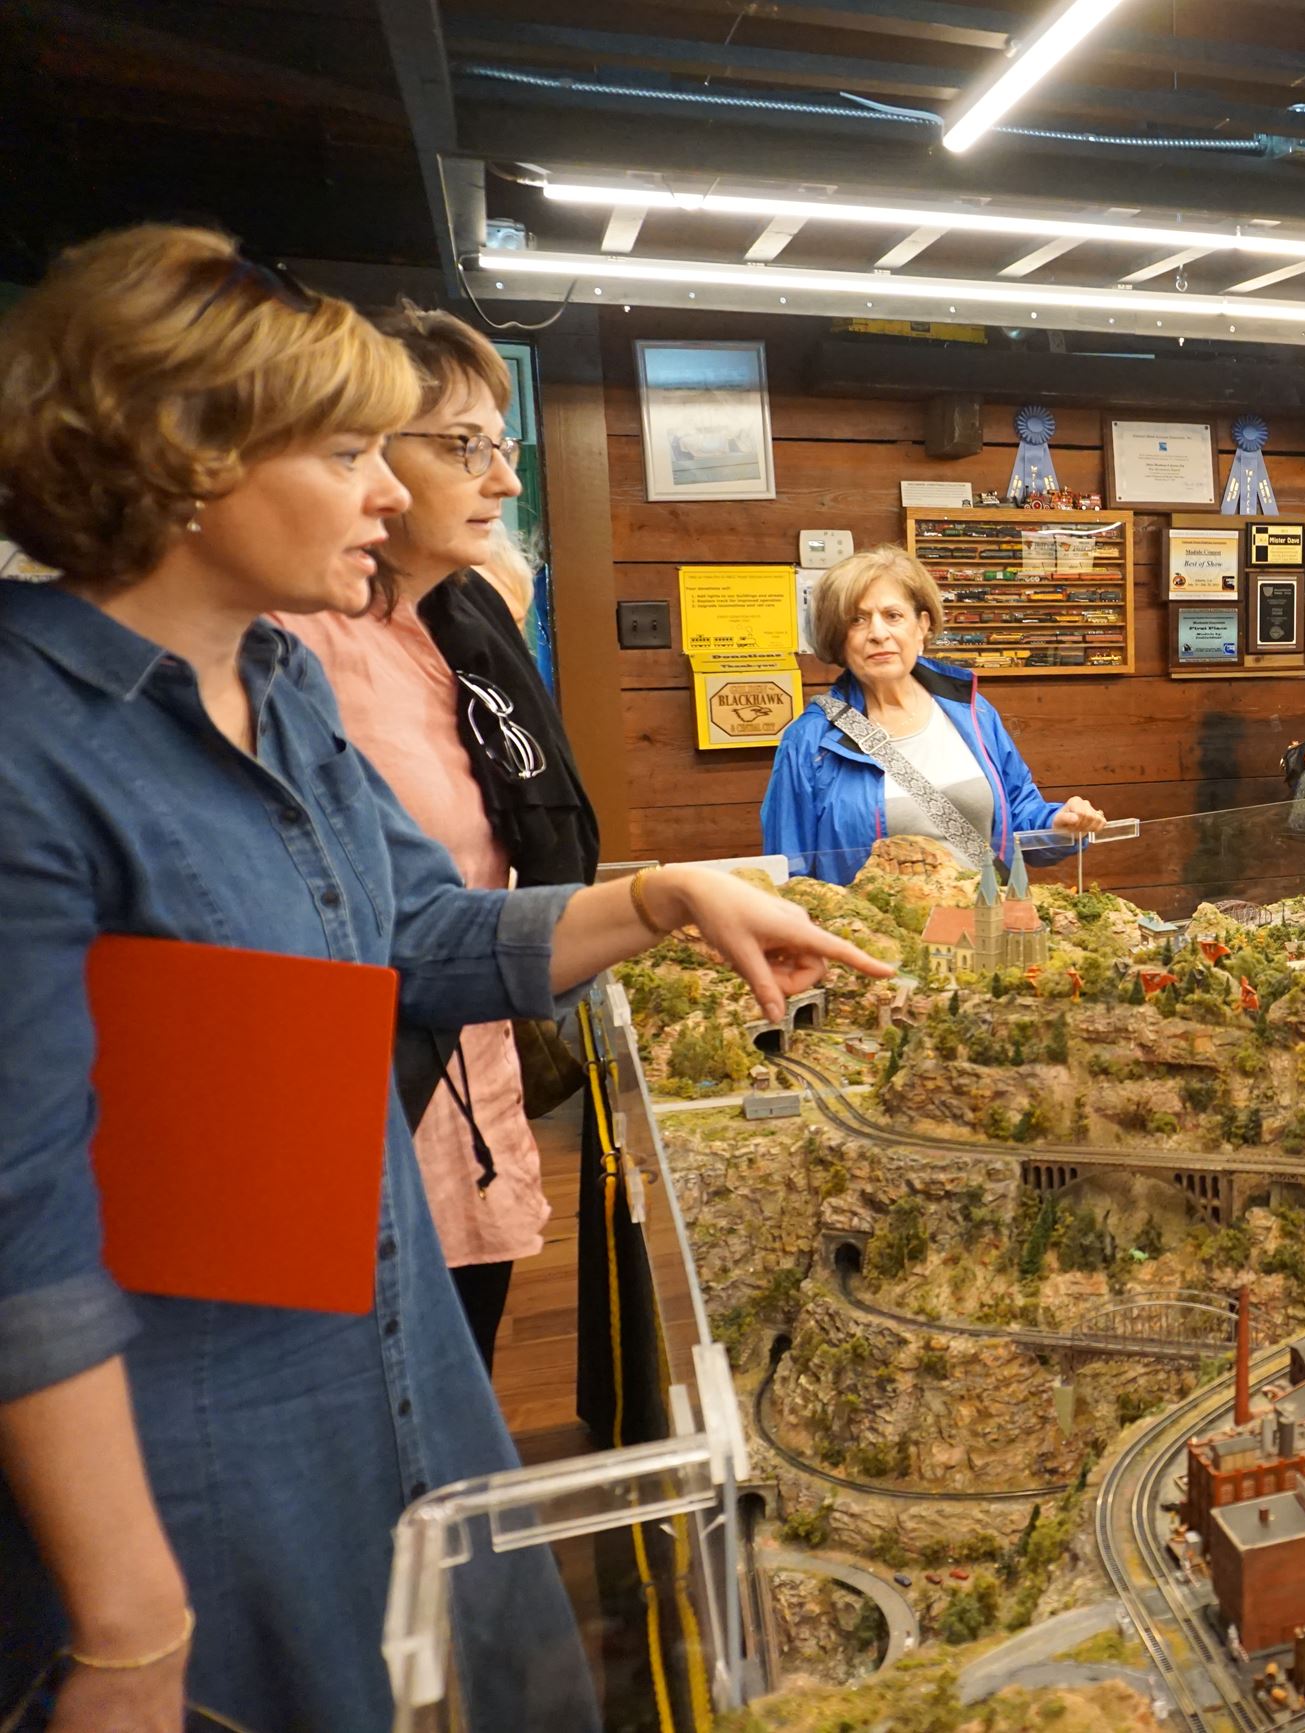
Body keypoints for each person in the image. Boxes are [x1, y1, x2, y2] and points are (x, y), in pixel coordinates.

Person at [0, 225, 883, 1733]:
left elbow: (415, 936)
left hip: (385, 1364)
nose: (395, 490)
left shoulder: (276, 686)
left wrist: (661, 899)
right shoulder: (34, 750)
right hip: (199, 1459)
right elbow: (26, 1245)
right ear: (188, 454)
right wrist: (132, 1623)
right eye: (349, 449)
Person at [277, 302, 597, 1369]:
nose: (503, 481)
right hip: (329, 1124)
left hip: (465, 1086)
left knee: (449, 1406)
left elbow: (442, 904)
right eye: (465, 447)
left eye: (499, 447)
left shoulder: (459, 621)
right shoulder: (282, 652)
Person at [762, 545, 1105, 877]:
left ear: (922, 625)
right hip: (876, 935)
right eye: (857, 620)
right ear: (838, 638)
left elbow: (1018, 814)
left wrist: (1058, 825)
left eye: (893, 615)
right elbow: (790, 871)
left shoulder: (971, 713)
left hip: (984, 926)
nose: (878, 633)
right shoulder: (811, 742)